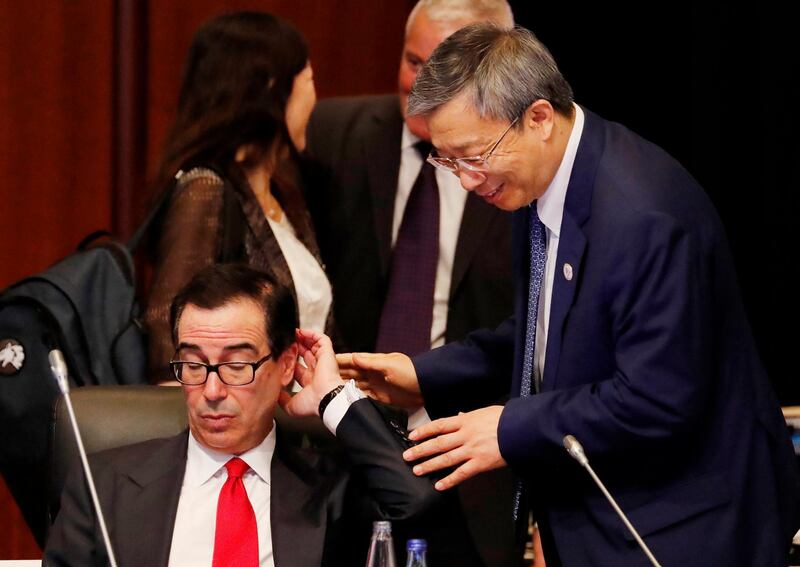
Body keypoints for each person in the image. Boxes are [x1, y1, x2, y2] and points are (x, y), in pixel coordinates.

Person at [340, 23, 800, 566]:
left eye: (472, 156)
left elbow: (657, 398)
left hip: (681, 524)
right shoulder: (537, 179)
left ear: (538, 118)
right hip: (598, 514)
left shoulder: (642, 217)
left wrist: (510, 427)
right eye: (447, 160)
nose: (465, 180)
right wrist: (426, 375)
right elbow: (550, 331)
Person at [305, 3, 522, 565]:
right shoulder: (334, 136)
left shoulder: (524, 169)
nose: (417, 84)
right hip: (345, 457)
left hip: (477, 466)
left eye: (441, 67)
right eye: (411, 60)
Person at [44, 264, 439, 566]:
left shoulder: (331, 487)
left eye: (237, 366)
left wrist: (332, 397)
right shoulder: (104, 486)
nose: (211, 392)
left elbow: (416, 502)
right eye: (194, 365)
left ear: (286, 365)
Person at [145, 12, 331, 383]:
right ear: (273, 87)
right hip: (233, 430)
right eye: (308, 79)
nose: (315, 97)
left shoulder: (284, 191)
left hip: (296, 429)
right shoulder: (206, 190)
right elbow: (170, 341)